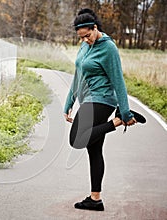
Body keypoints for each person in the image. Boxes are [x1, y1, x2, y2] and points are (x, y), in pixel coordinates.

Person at [63, 8, 146, 211]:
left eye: (88, 35)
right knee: (94, 149)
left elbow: (118, 80)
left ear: (95, 28)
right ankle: (95, 199)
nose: (85, 40)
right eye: (81, 38)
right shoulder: (84, 47)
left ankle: (117, 121)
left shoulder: (108, 48)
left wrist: (124, 112)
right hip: (88, 99)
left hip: (102, 100)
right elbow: (78, 75)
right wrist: (69, 103)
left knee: (77, 139)